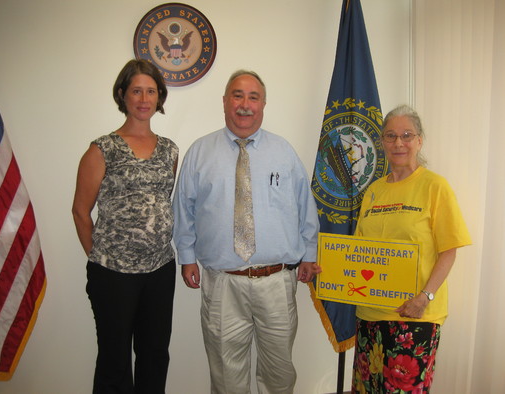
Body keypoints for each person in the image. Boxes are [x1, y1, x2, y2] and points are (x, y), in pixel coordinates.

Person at [172, 70, 321, 394]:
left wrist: (309, 254)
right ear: (225, 102)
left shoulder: (283, 152)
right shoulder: (200, 152)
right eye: (237, 95)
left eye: (253, 97)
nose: (245, 104)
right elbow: (184, 208)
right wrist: (186, 258)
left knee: (279, 373)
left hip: (276, 282)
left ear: (264, 104)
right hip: (222, 281)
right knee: (227, 375)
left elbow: (304, 206)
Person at [72, 59, 178, 394]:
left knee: (154, 354)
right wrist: (103, 259)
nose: (144, 98)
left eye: (151, 91)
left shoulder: (170, 150)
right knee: (114, 360)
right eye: (136, 91)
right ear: (123, 94)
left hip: (160, 269)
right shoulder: (101, 149)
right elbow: (79, 211)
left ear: (159, 97)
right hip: (112, 273)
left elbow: (161, 202)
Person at [351, 105, 471, 393]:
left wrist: (424, 297)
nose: (398, 143)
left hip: (414, 316)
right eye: (390, 136)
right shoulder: (374, 191)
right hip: (369, 314)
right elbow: (358, 251)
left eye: (407, 135)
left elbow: (449, 250)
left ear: (419, 140)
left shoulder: (435, 187)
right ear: (382, 143)